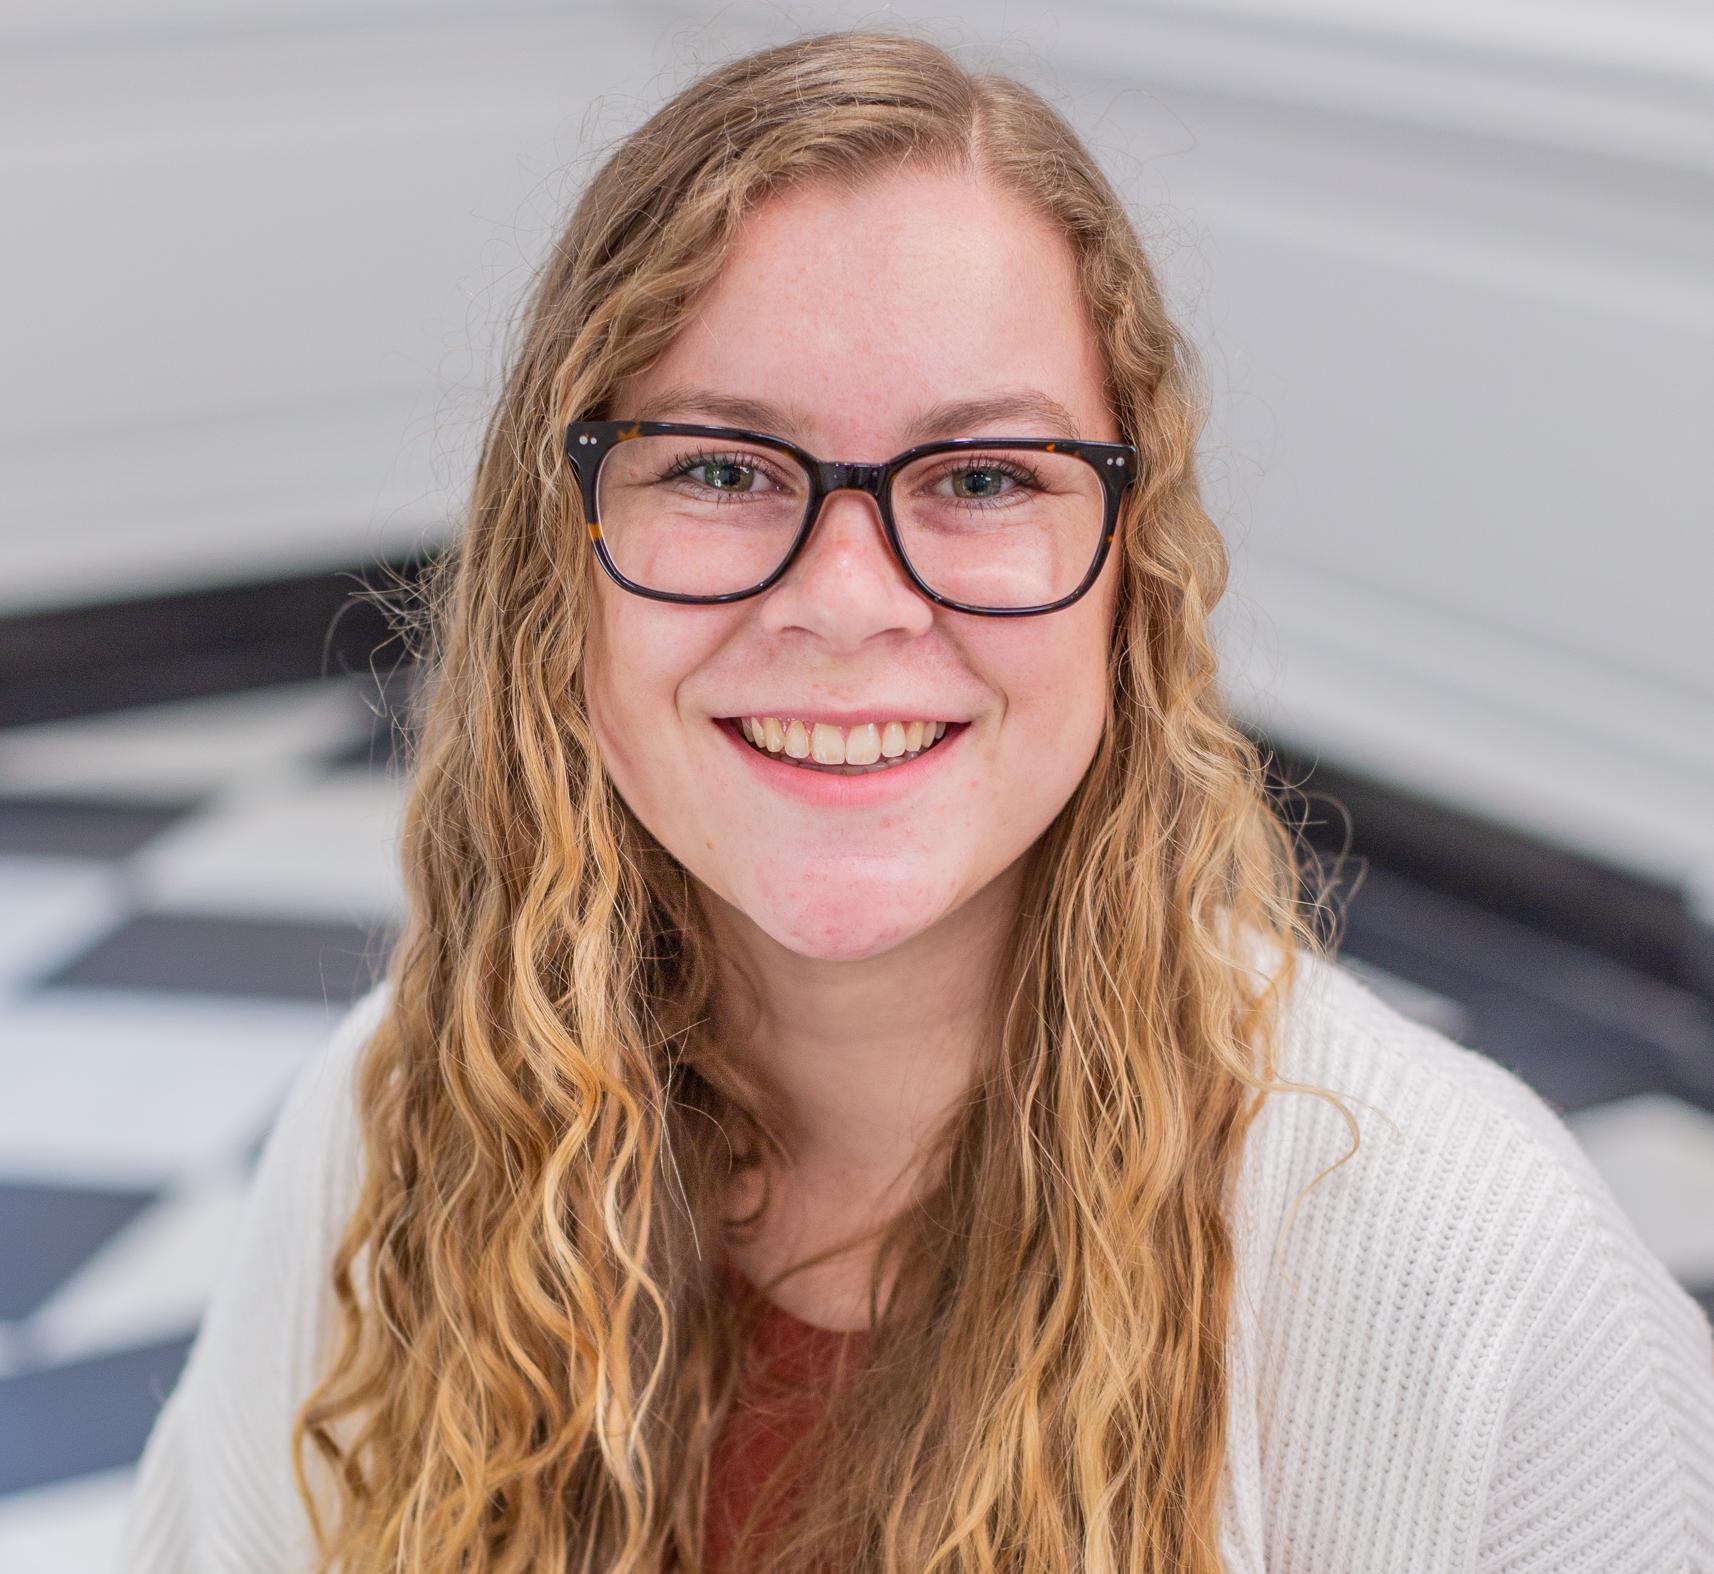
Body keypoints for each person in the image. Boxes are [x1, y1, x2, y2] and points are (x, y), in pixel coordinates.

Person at [116, 27, 1714, 1574]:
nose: (849, 599)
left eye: (981, 479)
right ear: (560, 573)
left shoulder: (1465, 1267)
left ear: (1130, 582)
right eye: (724, 469)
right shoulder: (406, 1119)